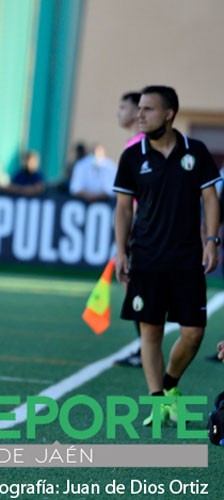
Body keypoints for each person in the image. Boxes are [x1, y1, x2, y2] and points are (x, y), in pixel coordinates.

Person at [113, 85, 221, 427]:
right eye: (139, 108)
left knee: (193, 333)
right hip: (146, 258)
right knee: (151, 332)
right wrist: (121, 251)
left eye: (148, 109)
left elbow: (210, 199)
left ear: (169, 114)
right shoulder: (132, 156)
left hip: (188, 258)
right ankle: (158, 402)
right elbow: (122, 209)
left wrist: (211, 239)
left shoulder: (196, 151)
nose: (139, 115)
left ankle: (171, 384)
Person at [114, 91, 145, 368]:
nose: (119, 112)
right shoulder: (136, 143)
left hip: (142, 227)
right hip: (140, 226)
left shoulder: (139, 145)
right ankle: (143, 347)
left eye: (124, 107)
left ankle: (144, 349)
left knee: (136, 288)